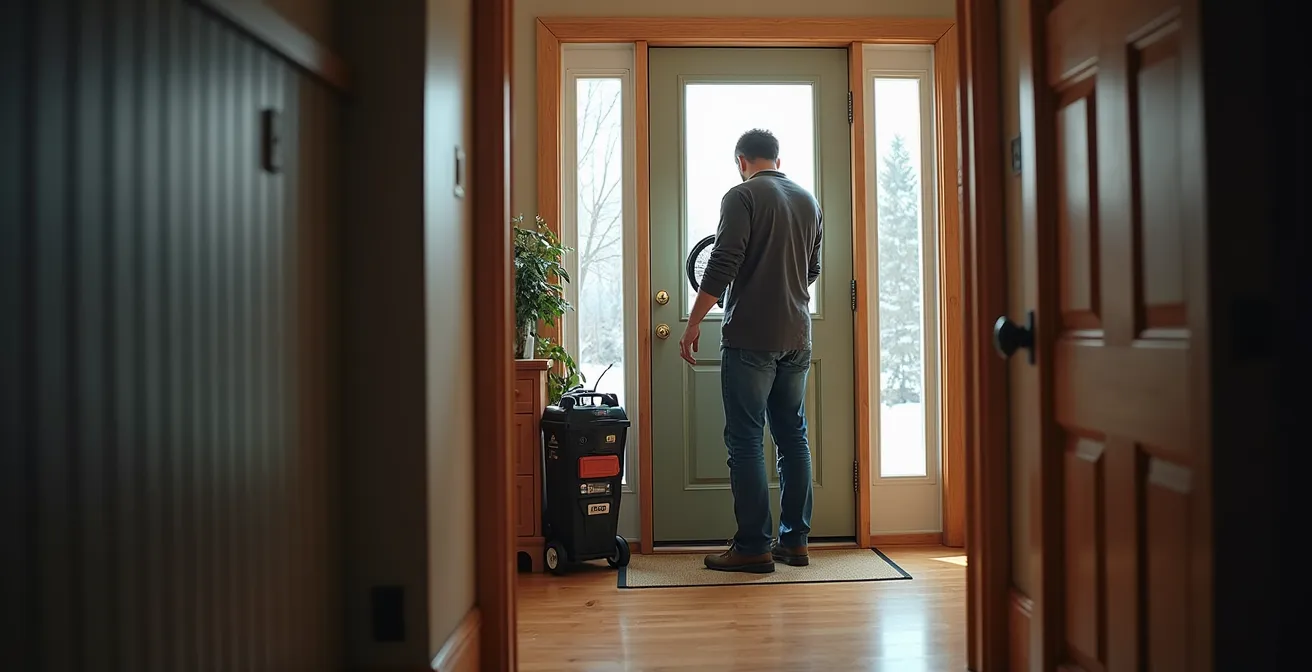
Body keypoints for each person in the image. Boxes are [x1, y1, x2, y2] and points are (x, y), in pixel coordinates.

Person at [679, 128, 822, 573]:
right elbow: (812, 269)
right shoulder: (808, 202)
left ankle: (754, 546)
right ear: (776, 160)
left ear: (741, 160)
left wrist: (694, 321)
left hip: (750, 339)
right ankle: (795, 542)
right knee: (792, 437)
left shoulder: (740, 197)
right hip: (797, 338)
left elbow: (723, 263)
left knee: (745, 442)